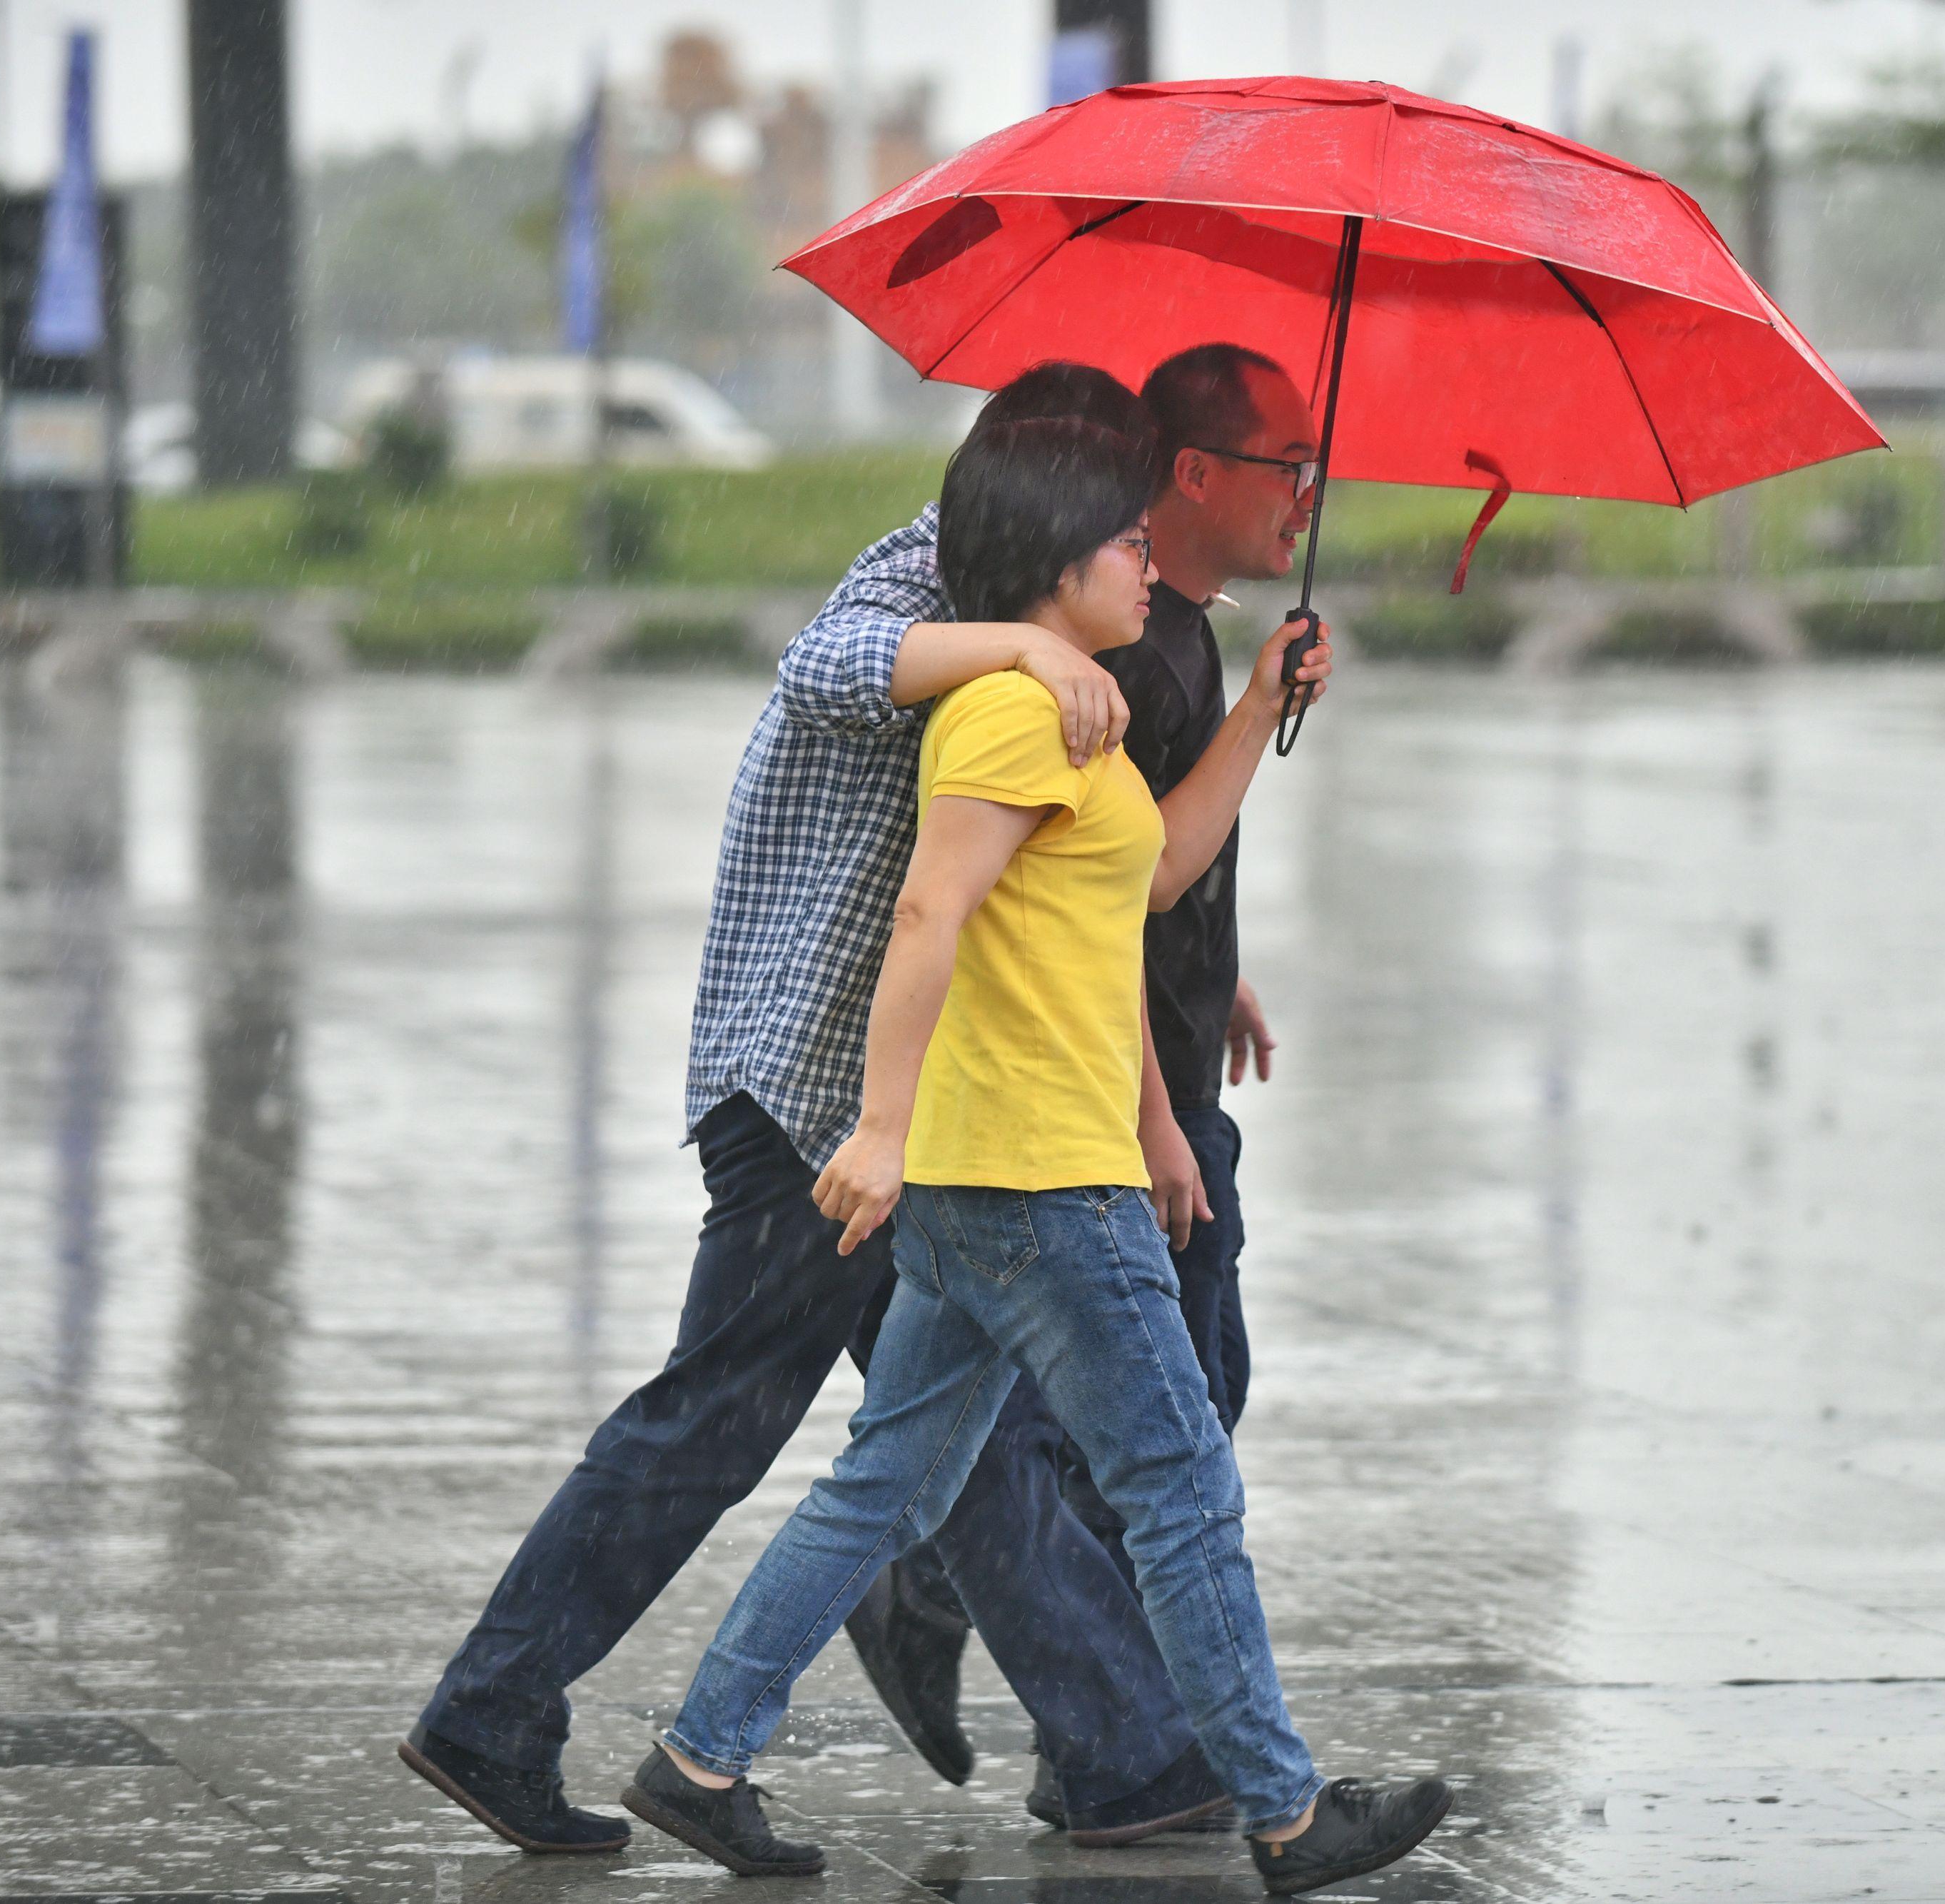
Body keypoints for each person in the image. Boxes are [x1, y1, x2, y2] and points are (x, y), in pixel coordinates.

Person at [400, 363, 1324, 1855]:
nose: (1137, 519)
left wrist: (1209, 978)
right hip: (816, 1099)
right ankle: (513, 1708)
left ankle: (1117, 1748)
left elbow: (1106, 873)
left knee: (941, 1438)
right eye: (1110, 487)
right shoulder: (935, 578)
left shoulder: (1092, 629)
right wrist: (1019, 651)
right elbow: (825, 663)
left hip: (907, 1104)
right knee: (737, 1418)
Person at [621, 412, 1454, 1898]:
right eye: (1128, 543)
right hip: (1035, 1181)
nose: (1152, 563)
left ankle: (699, 1753)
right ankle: (1282, 1813)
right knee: (1182, 1484)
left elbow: (1150, 874)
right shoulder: (1010, 714)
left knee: (884, 1484)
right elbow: (929, 915)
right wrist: (876, 1128)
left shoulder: (1076, 708)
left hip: (998, 1173)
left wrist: (1259, 700)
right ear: (1053, 565)